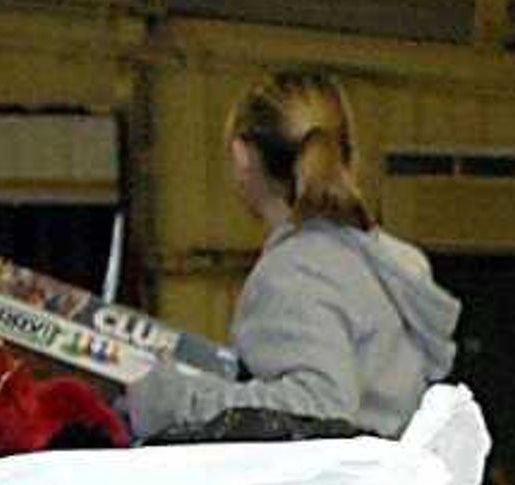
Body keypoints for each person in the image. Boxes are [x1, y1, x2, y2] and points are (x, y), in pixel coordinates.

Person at [128, 71, 461, 440]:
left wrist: (173, 400)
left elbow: (320, 408)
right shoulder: (397, 263)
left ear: (242, 156)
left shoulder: (295, 270)